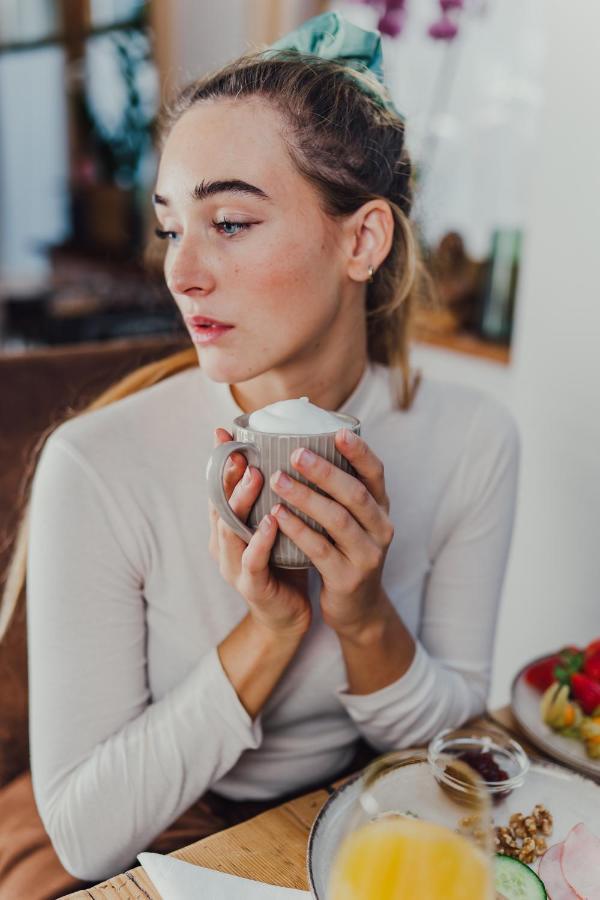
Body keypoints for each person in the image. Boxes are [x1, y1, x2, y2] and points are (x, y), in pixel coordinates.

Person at [0, 11, 519, 897]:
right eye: (172, 227)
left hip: (344, 813)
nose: (182, 271)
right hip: (146, 835)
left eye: (230, 222)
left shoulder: (470, 438)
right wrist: (271, 631)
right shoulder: (98, 462)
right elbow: (84, 836)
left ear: (362, 240)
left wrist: (362, 619)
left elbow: (450, 757)